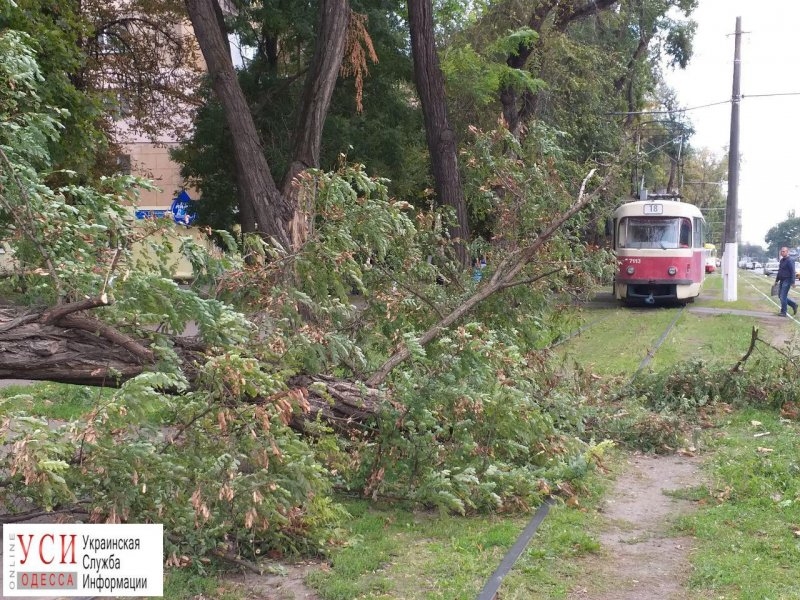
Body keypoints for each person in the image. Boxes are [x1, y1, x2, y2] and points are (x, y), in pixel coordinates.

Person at [775, 246, 797, 317]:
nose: (782, 252)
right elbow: (780, 271)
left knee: (783, 296)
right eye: (781, 251)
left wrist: (793, 282)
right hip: (782, 280)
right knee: (780, 296)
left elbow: (793, 271)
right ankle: (794, 304)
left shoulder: (790, 260)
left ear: (787, 252)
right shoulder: (782, 260)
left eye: (784, 251)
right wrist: (776, 280)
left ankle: (783, 312)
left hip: (787, 280)